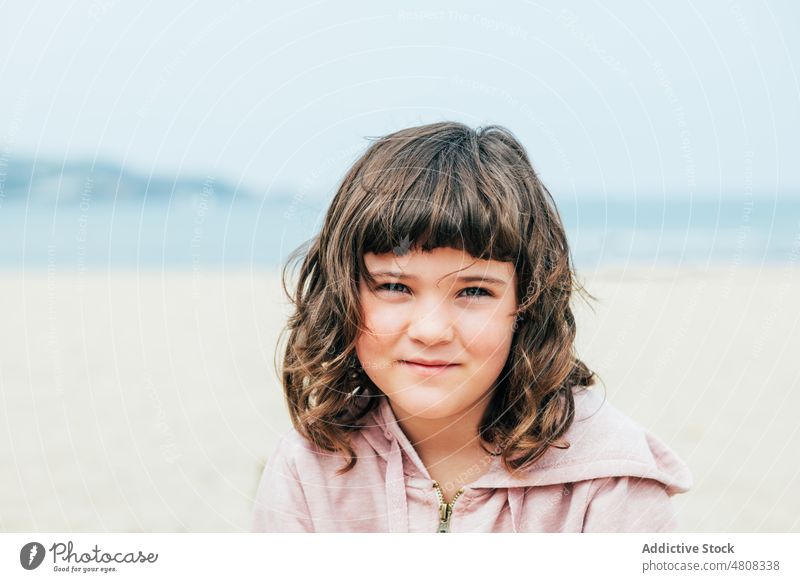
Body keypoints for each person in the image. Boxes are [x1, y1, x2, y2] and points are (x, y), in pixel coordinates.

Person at [251, 121, 692, 533]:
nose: (432, 330)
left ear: (527, 303)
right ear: (344, 293)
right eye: (394, 286)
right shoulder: (307, 468)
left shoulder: (609, 484)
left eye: (475, 291)